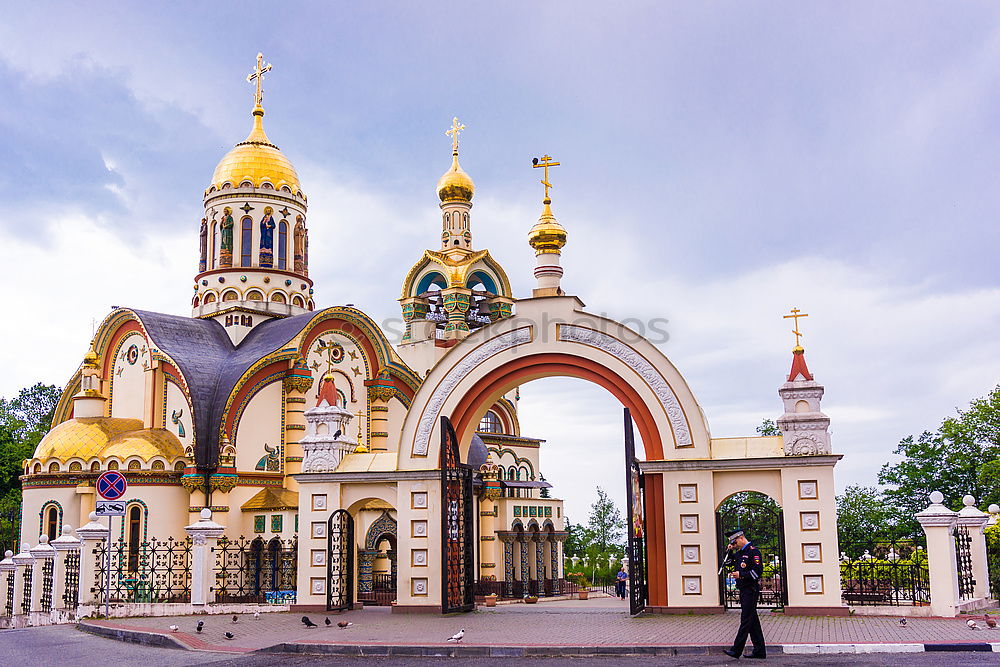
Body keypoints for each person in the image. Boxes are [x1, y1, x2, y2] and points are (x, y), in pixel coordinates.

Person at [723, 529, 766, 660]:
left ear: (741, 538)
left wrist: (741, 574)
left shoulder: (753, 551)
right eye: (733, 543)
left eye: (735, 542)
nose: (735, 545)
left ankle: (736, 650)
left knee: (746, 619)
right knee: (752, 621)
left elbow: (758, 571)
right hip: (743, 589)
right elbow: (727, 563)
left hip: (751, 589)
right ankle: (759, 651)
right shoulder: (739, 553)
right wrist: (729, 550)